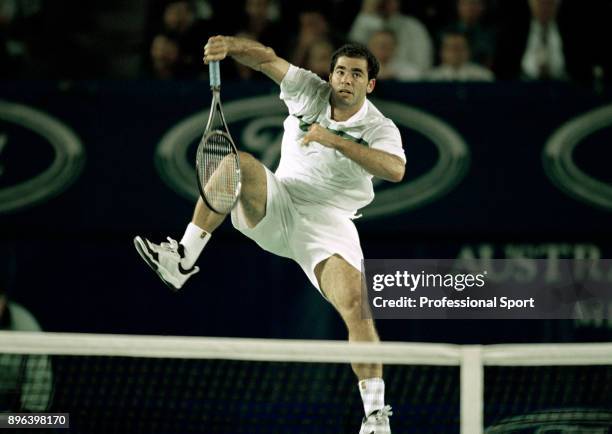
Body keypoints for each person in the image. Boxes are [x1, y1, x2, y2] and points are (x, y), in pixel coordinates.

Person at [134, 35, 405, 433]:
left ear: (370, 85)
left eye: (357, 74)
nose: (346, 79)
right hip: (278, 201)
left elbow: (394, 169)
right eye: (341, 71)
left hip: (328, 222)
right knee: (237, 162)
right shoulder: (308, 91)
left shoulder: (380, 127)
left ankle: (375, 417)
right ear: (330, 75)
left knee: (356, 304)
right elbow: (266, 59)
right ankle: (182, 259)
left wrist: (334, 140)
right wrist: (229, 45)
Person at [0, 245, 53, 412]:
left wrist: (22, 421)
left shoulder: (27, 327)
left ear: (4, 299)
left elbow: (39, 387)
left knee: (60, 422)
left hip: (16, 415)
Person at [349, 0, 434, 74]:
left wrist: (397, 72)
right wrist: (367, 11)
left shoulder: (414, 27)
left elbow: (423, 67)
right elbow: (353, 55)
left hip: (406, 83)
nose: (385, 3)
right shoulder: (364, 23)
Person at [428, 30, 494, 81]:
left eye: (460, 48)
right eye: (451, 48)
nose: (456, 53)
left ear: (469, 51)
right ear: (442, 52)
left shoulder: (484, 77)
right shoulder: (431, 78)